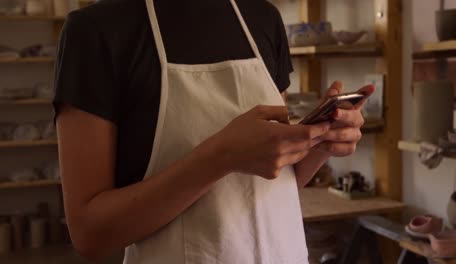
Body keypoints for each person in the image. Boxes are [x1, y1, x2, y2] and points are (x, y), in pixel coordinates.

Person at [54, 0, 374, 263]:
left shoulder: (262, 18)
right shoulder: (96, 31)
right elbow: (89, 234)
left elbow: (276, 179)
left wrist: (319, 141)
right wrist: (221, 157)